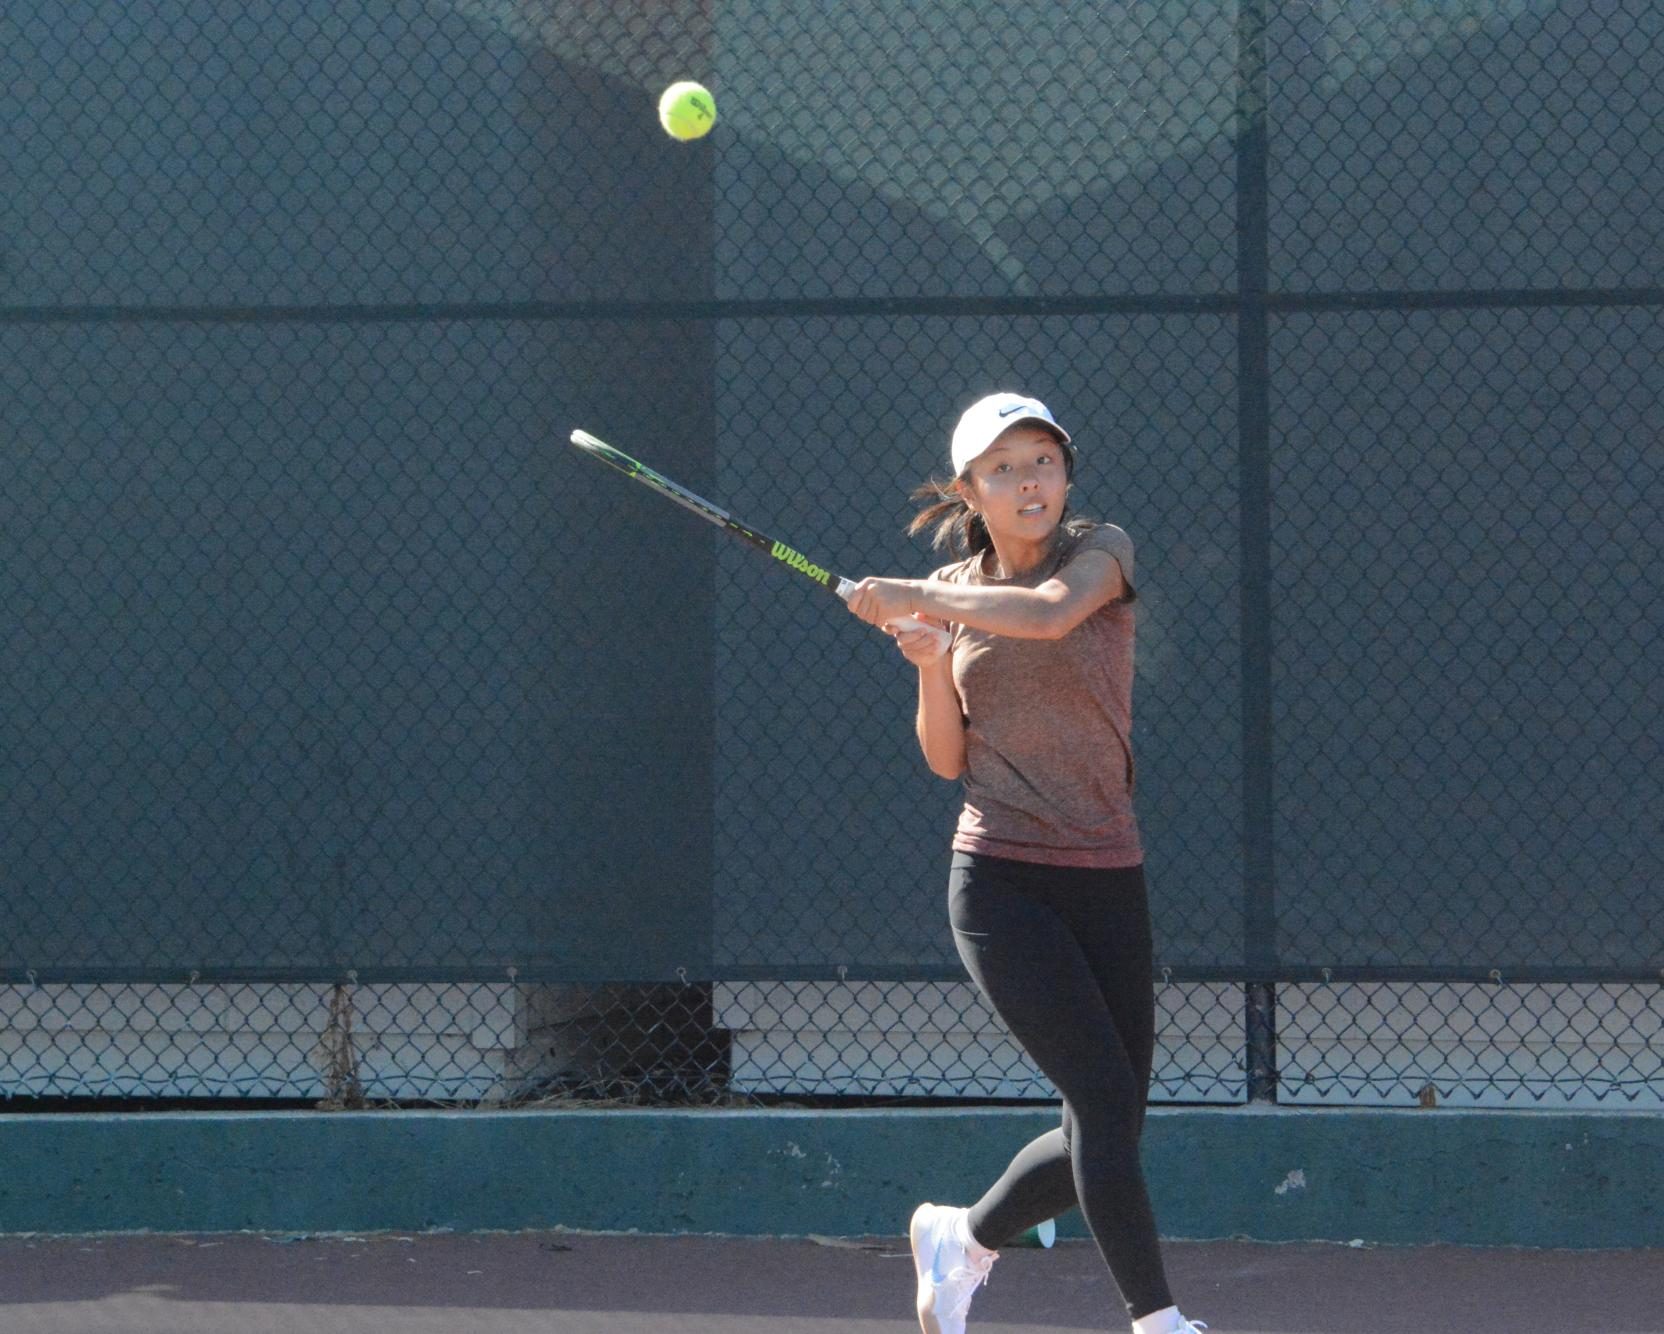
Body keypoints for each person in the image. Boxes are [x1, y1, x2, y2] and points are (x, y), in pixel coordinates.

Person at [844, 393, 1207, 1334]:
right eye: (1001, 469)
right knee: (1096, 1096)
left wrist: (917, 597)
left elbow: (1047, 617)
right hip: (1000, 880)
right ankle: (1158, 1321)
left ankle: (960, 1239)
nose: (1027, 481)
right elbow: (947, 758)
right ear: (971, 490)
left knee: (1113, 1124)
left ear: (1066, 473)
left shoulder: (1103, 554)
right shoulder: (958, 593)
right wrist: (930, 660)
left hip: (1107, 868)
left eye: (1041, 459)